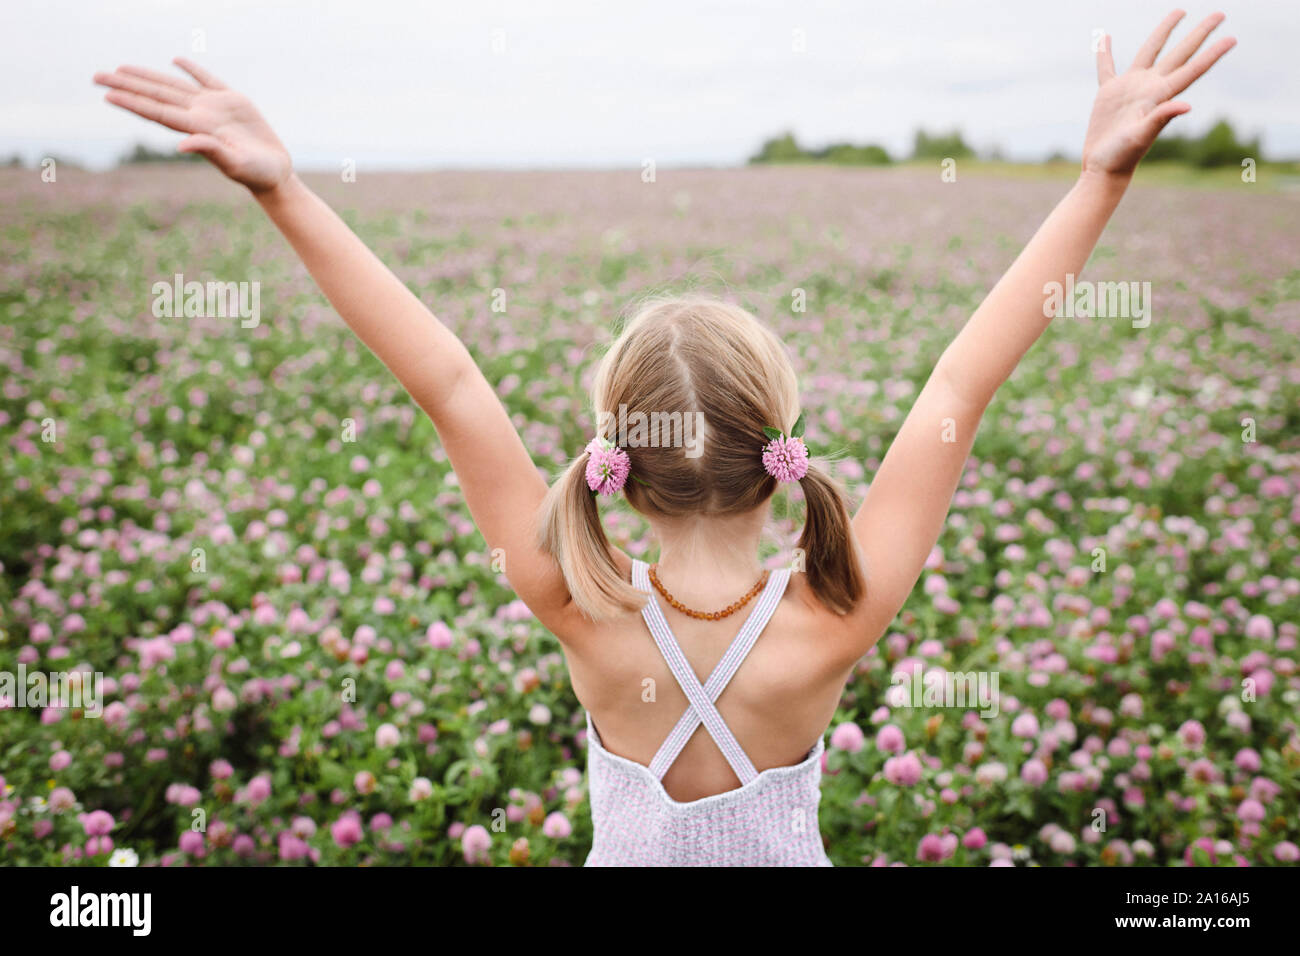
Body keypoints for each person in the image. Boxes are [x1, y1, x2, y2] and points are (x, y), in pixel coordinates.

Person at [93, 10, 1235, 865]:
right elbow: (963, 377)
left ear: (613, 463)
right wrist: (1100, 176)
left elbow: (444, 377)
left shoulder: (572, 596)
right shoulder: (837, 611)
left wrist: (284, 187)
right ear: (778, 449)